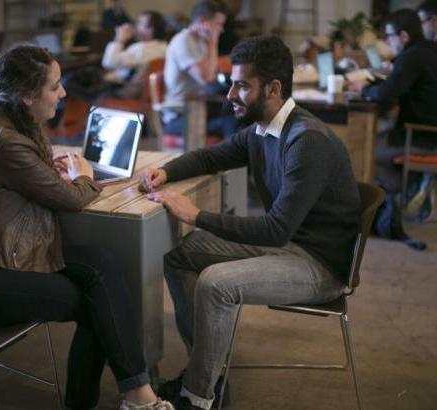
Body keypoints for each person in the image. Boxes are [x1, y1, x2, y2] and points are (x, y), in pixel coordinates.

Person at [0, 44, 172, 410]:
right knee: (97, 301)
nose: (63, 93)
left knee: (102, 264)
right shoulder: (5, 141)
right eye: (55, 86)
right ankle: (132, 398)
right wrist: (86, 178)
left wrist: (47, 172)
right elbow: (72, 200)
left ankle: (131, 396)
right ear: (27, 96)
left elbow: (23, 184)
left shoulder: (6, 125)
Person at [139, 35, 361, 410]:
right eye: (232, 83)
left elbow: (275, 230)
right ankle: (207, 372)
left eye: (242, 85)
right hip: (287, 246)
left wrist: (196, 215)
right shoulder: (263, 129)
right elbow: (212, 158)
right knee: (178, 252)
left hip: (318, 263)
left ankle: (198, 398)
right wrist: (165, 171)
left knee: (216, 284)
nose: (230, 94)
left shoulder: (306, 141)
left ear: (273, 88)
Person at [348, 9, 437, 244]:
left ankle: (401, 198)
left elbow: (387, 94)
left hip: (423, 137)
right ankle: (410, 189)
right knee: (380, 139)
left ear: (404, 36)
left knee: (370, 151)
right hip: (426, 131)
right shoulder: (427, 51)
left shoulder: (412, 57)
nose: (387, 42)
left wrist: (364, 89)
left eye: (389, 37)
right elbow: (395, 86)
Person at [162, 0, 236, 139]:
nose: (221, 29)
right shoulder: (182, 41)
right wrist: (213, 42)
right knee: (232, 119)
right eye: (218, 24)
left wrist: (210, 42)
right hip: (179, 115)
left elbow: (211, 76)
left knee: (241, 110)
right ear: (203, 22)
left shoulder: (200, 41)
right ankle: (233, 158)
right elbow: (206, 79)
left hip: (198, 107)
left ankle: (237, 158)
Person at [101, 10, 167, 99]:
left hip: (129, 95)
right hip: (152, 95)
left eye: (139, 23)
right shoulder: (165, 47)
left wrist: (119, 39)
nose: (135, 27)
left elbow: (108, 62)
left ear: (150, 30)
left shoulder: (140, 48)